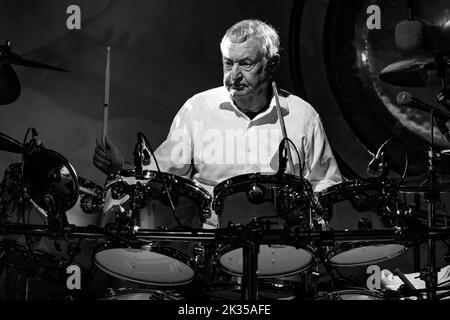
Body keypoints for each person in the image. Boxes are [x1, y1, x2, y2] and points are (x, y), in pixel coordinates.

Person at [93, 19, 342, 228]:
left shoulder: (302, 116)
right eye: (228, 63)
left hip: (284, 246)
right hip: (210, 248)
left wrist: (308, 213)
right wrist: (121, 169)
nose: (233, 76)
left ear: (272, 65)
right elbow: (161, 179)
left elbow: (327, 185)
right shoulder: (198, 109)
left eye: (245, 64)